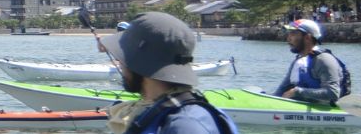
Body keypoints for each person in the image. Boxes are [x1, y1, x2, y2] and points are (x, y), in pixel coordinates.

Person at [100, 12, 240, 134]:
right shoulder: (165, 111)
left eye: (123, 57)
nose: (119, 63)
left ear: (140, 61)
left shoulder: (186, 125)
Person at [273, 19, 347, 105]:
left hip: (324, 110)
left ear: (307, 38)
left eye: (293, 34)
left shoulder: (324, 60)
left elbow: (333, 94)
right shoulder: (297, 62)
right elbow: (279, 93)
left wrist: (297, 92)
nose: (288, 38)